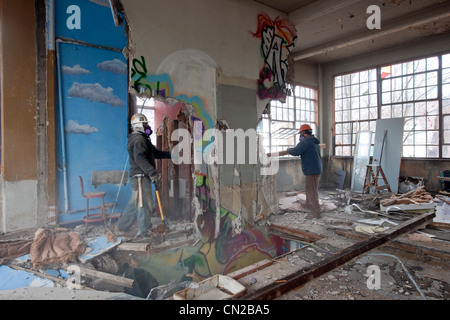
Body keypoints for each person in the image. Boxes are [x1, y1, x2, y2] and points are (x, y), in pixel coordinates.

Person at [115, 113, 172, 237]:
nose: (148, 126)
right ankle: (145, 230)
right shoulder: (139, 140)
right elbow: (139, 158)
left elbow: (154, 153)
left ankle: (121, 226)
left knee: (135, 203)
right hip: (140, 177)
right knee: (144, 204)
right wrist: (152, 172)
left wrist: (170, 155)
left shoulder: (143, 139)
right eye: (145, 124)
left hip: (139, 177)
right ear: (138, 126)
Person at [286, 124, 323, 218]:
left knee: (311, 191)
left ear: (304, 133)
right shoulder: (314, 141)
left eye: (300, 134)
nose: (300, 136)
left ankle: (316, 213)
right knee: (312, 190)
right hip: (316, 169)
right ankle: (309, 207)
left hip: (311, 170)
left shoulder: (306, 142)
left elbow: (295, 152)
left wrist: (288, 149)